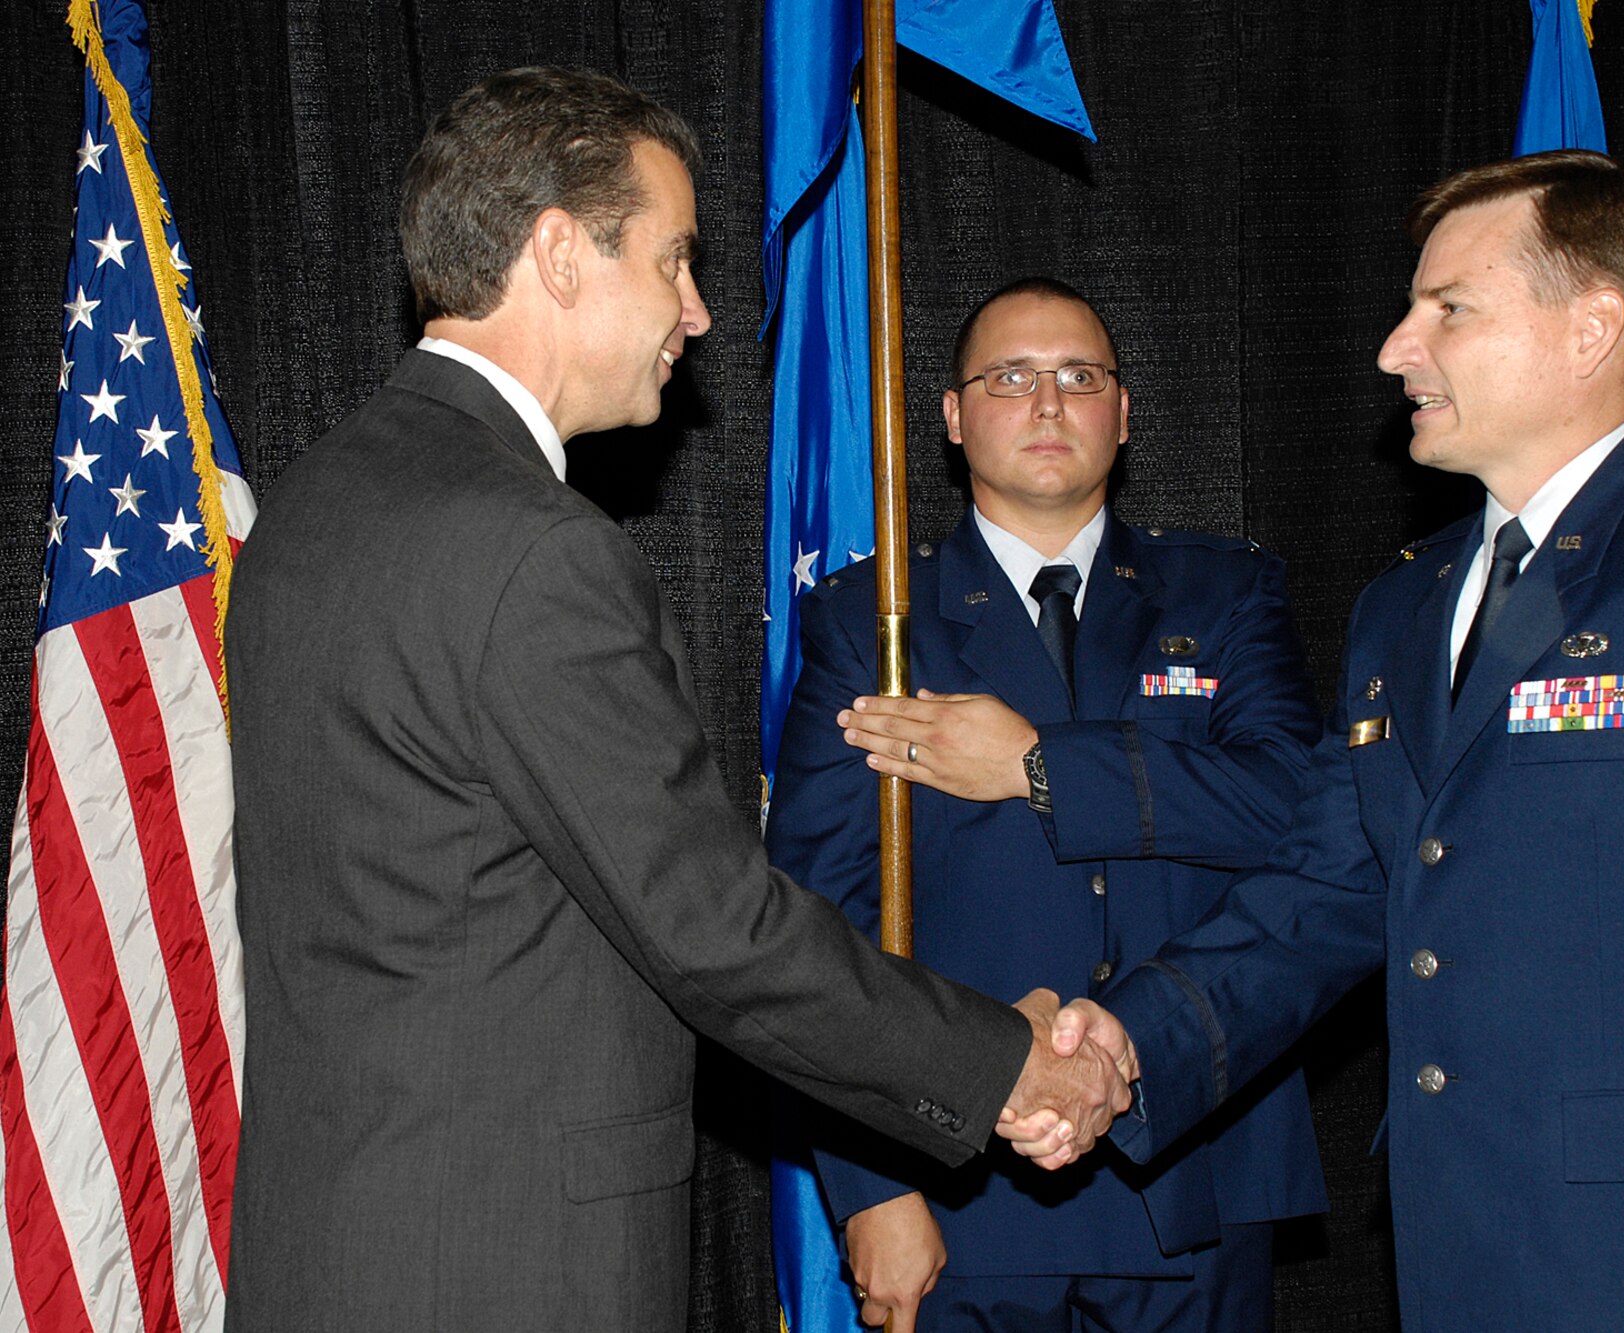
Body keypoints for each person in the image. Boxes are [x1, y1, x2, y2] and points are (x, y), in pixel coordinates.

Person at [223, 68, 1128, 1333]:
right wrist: (1002, 1060)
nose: (698, 314)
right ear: (556, 252)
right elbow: (716, 930)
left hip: (343, 1241)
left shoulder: (313, 507)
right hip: (509, 1266)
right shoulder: (529, 548)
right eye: (672, 260)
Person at [1034, 150, 1624, 1329]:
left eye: (1445, 309)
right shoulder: (1401, 605)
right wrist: (1126, 1039)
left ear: (1591, 328)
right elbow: (1325, 890)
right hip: (1463, 1255)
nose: (1393, 347)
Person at [767, 277, 1326, 1330]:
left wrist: (1037, 764)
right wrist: (873, 1186)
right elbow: (813, 931)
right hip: (961, 1187)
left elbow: (1300, 815)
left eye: (1079, 377)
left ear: (1123, 411)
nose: (1047, 403)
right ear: (950, 415)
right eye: (1009, 378)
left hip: (1190, 1176)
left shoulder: (1224, 594)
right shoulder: (872, 626)